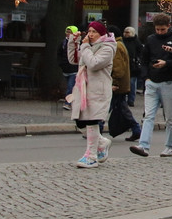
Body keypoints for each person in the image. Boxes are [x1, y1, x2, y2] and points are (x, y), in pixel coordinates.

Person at [131, 14, 172, 157]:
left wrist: (167, 63)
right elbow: (144, 59)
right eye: (157, 29)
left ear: (169, 26)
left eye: (162, 29)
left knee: (170, 118)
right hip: (152, 82)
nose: (159, 32)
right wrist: (145, 77)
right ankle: (143, 145)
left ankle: (170, 146)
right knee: (148, 116)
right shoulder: (150, 40)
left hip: (168, 82)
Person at [70, 21, 116, 168]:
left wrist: (84, 47)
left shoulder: (108, 48)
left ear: (101, 33)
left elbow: (94, 63)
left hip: (98, 90)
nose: (90, 34)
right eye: (89, 31)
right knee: (80, 121)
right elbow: (74, 59)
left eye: (94, 32)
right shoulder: (87, 47)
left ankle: (91, 156)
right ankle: (102, 143)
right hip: (84, 90)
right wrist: (74, 42)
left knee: (92, 121)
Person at [107, 25, 141, 142]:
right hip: (122, 84)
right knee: (122, 107)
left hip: (118, 85)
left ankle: (97, 128)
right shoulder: (120, 44)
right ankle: (136, 129)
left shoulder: (116, 46)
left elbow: (118, 68)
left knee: (107, 107)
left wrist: (114, 82)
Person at [59, 26, 79, 109]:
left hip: (74, 70)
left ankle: (68, 103)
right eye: (67, 32)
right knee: (71, 86)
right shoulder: (63, 43)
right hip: (66, 69)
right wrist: (61, 64)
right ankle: (73, 101)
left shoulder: (77, 43)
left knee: (70, 86)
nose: (68, 34)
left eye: (70, 32)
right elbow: (59, 54)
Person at [122, 26, 142, 107]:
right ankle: (123, 100)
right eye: (125, 32)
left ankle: (131, 100)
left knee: (132, 83)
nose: (126, 34)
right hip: (124, 65)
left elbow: (140, 52)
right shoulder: (122, 41)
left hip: (133, 65)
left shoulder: (136, 41)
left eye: (128, 32)